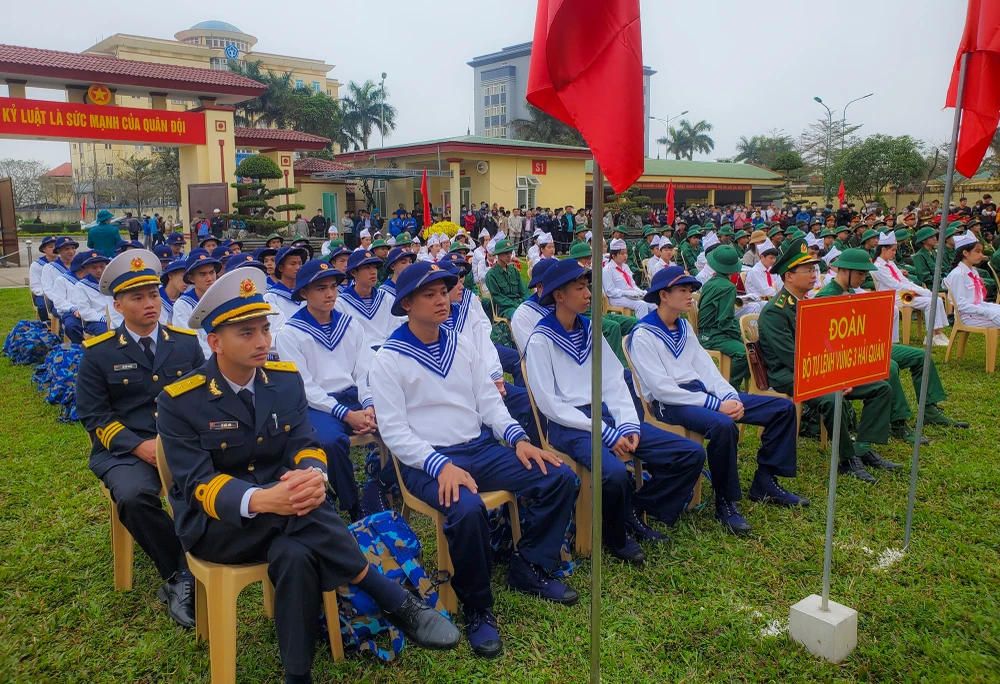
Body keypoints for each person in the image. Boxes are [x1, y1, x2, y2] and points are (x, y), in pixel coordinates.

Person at [157, 267, 459, 681]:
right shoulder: (181, 401)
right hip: (218, 525)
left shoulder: (283, 381)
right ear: (214, 342)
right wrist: (264, 500)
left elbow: (305, 444)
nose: (263, 341)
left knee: (297, 554)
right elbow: (195, 484)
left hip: (289, 509)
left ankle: (297, 676)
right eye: (246, 333)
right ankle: (390, 596)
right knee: (303, 513)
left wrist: (313, 475)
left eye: (264, 329)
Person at [369, 261, 578, 658]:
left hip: (479, 449)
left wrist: (518, 439)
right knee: (466, 510)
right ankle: (478, 608)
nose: (441, 300)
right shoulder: (388, 358)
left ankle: (530, 566)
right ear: (407, 304)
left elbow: (489, 402)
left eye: (444, 291)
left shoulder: (461, 342)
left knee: (556, 475)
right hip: (427, 463)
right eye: (428, 294)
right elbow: (395, 433)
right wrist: (440, 466)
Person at [525, 259, 704, 561]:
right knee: (615, 472)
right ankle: (615, 535)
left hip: (606, 416)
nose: (588, 294)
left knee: (690, 453)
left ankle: (634, 507)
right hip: (569, 425)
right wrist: (606, 433)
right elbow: (550, 404)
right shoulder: (541, 339)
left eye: (588, 287)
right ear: (558, 295)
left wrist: (627, 424)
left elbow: (613, 381)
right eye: (579, 288)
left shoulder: (590, 329)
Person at [76, 249, 206, 629]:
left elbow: (203, 395)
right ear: (117, 304)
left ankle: (222, 550)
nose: (149, 303)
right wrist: (138, 446)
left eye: (153, 294)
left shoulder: (184, 343)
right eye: (137, 297)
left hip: (181, 442)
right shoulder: (98, 353)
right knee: (134, 497)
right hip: (126, 450)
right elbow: (94, 416)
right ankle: (179, 573)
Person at [629, 266, 806, 534]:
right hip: (671, 406)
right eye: (683, 290)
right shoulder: (643, 334)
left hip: (700, 396)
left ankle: (765, 480)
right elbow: (663, 390)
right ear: (664, 295)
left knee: (781, 408)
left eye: (690, 290)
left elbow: (706, 369)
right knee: (722, 425)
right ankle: (725, 501)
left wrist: (729, 396)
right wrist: (716, 406)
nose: (690, 296)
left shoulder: (684, 326)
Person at [758, 239, 894, 483]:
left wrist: (842, 374)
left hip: (819, 369)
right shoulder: (775, 311)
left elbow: (826, 345)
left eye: (814, 270)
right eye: (808, 270)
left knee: (881, 387)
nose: (814, 275)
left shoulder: (809, 303)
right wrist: (833, 380)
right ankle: (847, 459)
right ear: (789, 276)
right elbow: (792, 358)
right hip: (789, 374)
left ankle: (862, 447)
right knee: (832, 397)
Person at [818, 250, 967, 442]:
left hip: (867, 347)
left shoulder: (854, 291)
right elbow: (826, 341)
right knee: (890, 367)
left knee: (920, 357)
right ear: (845, 271)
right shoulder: (826, 297)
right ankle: (898, 423)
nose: (864, 278)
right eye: (860, 274)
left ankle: (930, 409)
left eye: (865, 274)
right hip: (847, 356)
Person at [274, 260, 373, 521]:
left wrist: (370, 405)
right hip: (318, 405)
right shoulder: (290, 333)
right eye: (320, 288)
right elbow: (304, 386)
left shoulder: (350, 325)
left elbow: (364, 371)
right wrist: (347, 414)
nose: (330, 294)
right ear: (304, 293)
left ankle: (383, 483)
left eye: (333, 287)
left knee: (399, 422)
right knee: (330, 441)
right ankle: (353, 505)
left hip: (354, 397)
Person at [871, 232, 949, 346]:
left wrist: (917, 289)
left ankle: (938, 333)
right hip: (894, 297)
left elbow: (903, 280)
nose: (895, 253)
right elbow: (895, 284)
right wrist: (919, 291)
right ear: (883, 249)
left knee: (935, 299)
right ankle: (932, 336)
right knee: (930, 302)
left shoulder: (890, 264)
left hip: (902, 294)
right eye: (892, 250)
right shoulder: (878, 267)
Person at [694, 245, 751, 389]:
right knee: (745, 353)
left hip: (706, 333)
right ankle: (731, 387)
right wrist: (740, 335)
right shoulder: (728, 287)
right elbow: (724, 321)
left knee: (748, 345)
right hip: (713, 335)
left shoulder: (711, 282)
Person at [335, 249, 402, 347]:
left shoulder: (386, 298)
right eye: (367, 267)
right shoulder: (340, 304)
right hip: (358, 357)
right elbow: (345, 340)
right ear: (353, 272)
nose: (373, 272)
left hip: (387, 354)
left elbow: (395, 331)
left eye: (374, 267)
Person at [171, 248, 222, 357]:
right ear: (191, 278)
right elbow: (190, 340)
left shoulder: (223, 298)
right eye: (202, 274)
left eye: (212, 272)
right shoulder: (183, 304)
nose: (209, 278)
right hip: (200, 361)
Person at [946, 233, 1000, 327]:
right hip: (967, 316)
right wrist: (986, 311)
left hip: (977, 310)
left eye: (981, 252)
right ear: (965, 253)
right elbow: (961, 305)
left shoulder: (973, 271)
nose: (981, 255)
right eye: (977, 252)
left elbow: (977, 301)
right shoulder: (958, 274)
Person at [67, 249, 119, 339]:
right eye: (94, 267)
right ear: (86, 268)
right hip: (95, 321)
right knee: (107, 334)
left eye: (102, 266)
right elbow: (85, 311)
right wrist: (103, 318)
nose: (99, 270)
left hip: (117, 317)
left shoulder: (114, 281)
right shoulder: (81, 286)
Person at [604, 238, 654, 317]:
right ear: (613, 256)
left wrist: (640, 292)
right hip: (616, 298)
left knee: (653, 303)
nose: (625, 256)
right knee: (641, 305)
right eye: (622, 254)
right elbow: (610, 291)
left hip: (631, 295)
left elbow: (632, 284)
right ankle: (641, 327)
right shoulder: (607, 270)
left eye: (626, 253)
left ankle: (655, 326)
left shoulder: (625, 267)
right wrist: (625, 293)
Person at [263, 245, 308, 327]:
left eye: (300, 264)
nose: (298, 267)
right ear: (280, 268)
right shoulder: (271, 297)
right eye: (293, 264)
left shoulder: (306, 294)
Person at [484, 239, 528, 320]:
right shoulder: (491, 275)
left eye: (510, 252)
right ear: (498, 254)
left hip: (520, 304)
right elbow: (498, 297)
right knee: (520, 316)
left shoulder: (514, 271)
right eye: (506, 253)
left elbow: (524, 291)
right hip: (505, 309)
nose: (509, 255)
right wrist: (517, 305)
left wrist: (528, 303)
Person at [29, 235, 57, 321]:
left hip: (60, 294)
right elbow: (35, 287)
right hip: (42, 295)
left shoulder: (63, 263)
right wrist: (50, 295)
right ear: (44, 249)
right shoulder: (36, 265)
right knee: (43, 307)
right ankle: (46, 326)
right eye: (51, 247)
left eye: (56, 246)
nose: (54, 249)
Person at [158, 258, 187, 326]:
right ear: (170, 275)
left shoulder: (186, 301)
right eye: (183, 276)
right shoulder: (156, 297)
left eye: (188, 278)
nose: (187, 281)